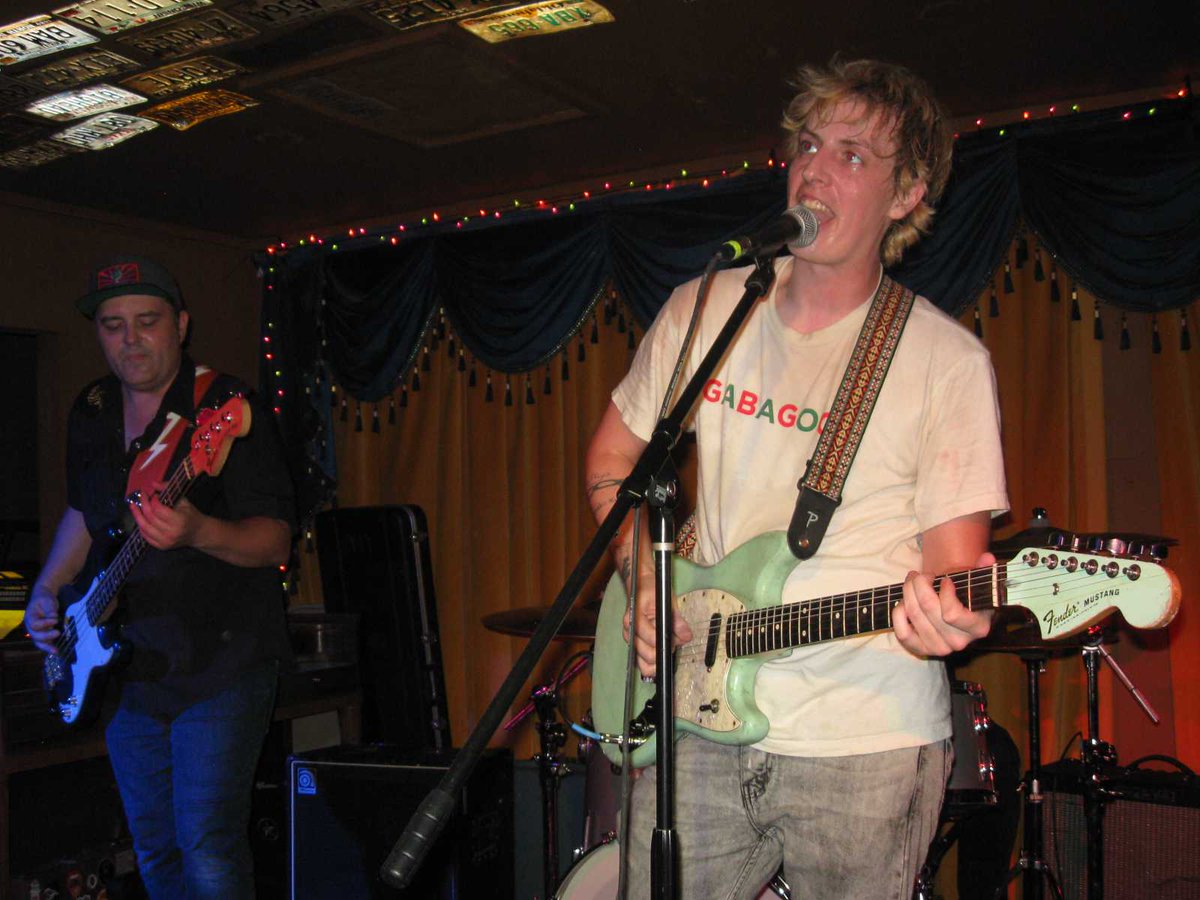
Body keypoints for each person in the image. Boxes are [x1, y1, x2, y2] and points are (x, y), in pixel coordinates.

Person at [584, 59, 1009, 898]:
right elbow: (611, 464)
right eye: (808, 145)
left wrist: (949, 619)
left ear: (907, 194)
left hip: (866, 742)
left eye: (853, 155)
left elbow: (957, 570)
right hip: (701, 720)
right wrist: (643, 578)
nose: (815, 168)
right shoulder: (702, 309)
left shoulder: (945, 361)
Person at [24, 257, 295, 899]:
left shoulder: (227, 407)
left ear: (180, 324)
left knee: (208, 847)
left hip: (220, 662)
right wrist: (48, 586)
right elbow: (83, 514)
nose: (130, 339)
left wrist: (202, 532)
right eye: (113, 325)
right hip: (127, 665)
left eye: (147, 321)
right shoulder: (91, 410)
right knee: (155, 852)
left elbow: (277, 539)